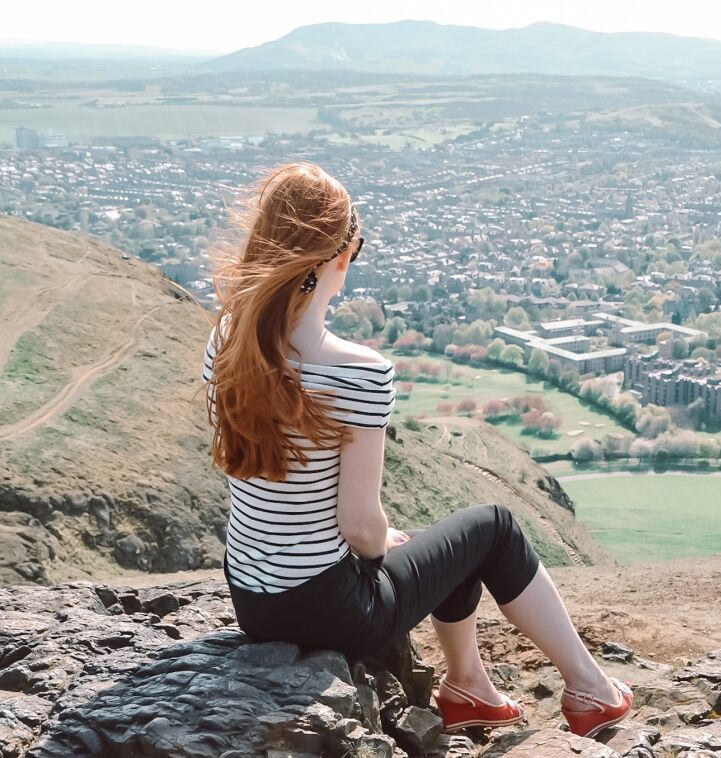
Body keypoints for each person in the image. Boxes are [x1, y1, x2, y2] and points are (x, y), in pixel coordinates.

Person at [202, 162, 632, 738]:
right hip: (331, 612)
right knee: (494, 528)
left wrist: (379, 543)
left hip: (253, 599)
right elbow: (358, 527)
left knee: (443, 548)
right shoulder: (358, 372)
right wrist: (380, 542)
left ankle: (470, 687)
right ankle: (590, 689)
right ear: (340, 257)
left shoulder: (227, 339)